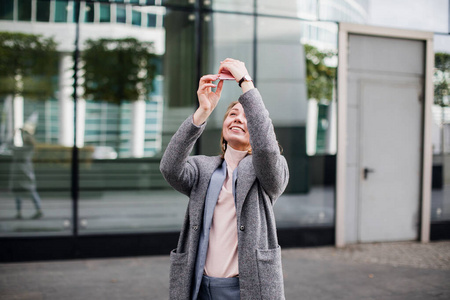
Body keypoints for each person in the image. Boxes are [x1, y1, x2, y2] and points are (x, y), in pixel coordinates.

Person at [160, 58, 289, 300]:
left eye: (246, 116)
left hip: (248, 289)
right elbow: (169, 168)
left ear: (258, 132)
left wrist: (245, 84)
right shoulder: (202, 168)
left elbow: (268, 151)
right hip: (198, 286)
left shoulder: (269, 172)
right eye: (232, 114)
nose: (238, 118)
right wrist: (202, 112)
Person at [9, 127, 43, 219]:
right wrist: (24, 132)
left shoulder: (19, 149)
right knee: (32, 192)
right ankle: (38, 210)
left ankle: (19, 212)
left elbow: (10, 145)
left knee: (18, 194)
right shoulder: (30, 149)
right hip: (26, 174)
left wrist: (15, 134)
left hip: (19, 174)